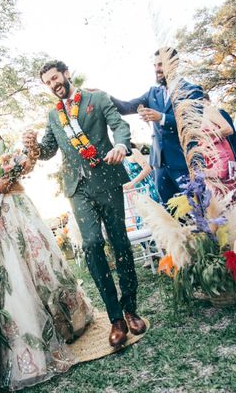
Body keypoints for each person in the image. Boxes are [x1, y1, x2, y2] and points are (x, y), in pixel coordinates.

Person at [23, 60, 146, 349]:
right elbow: (47, 150)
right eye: (48, 82)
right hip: (76, 188)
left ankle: (130, 309)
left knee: (120, 242)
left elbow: (119, 125)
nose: (53, 84)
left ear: (66, 74)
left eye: (55, 77)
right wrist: (33, 148)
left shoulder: (97, 98)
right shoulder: (53, 116)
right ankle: (115, 318)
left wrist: (120, 146)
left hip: (107, 178)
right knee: (91, 244)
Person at [0, 124, 93, 390]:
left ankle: (69, 324)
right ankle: (32, 338)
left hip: (24, 217)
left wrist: (31, 150)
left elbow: (29, 166)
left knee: (42, 264)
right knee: (13, 274)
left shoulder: (10, 157)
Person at [111, 48, 203, 204]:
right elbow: (126, 107)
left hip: (184, 162)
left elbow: (193, 123)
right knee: (170, 214)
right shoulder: (153, 93)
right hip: (159, 165)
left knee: (195, 210)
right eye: (155, 65)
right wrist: (104, 96)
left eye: (160, 65)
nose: (157, 69)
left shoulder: (191, 91)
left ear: (174, 64)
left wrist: (162, 118)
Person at [201, 99, 236, 193]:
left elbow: (228, 129)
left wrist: (208, 134)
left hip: (220, 155)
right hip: (207, 159)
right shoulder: (192, 117)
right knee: (216, 193)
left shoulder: (208, 110)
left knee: (227, 188)